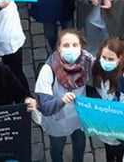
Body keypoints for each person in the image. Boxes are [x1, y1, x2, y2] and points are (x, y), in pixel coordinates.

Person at [35, 29, 94, 162]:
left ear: (81, 48)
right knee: (57, 148)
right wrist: (61, 100)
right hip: (58, 120)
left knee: (80, 144)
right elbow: (45, 107)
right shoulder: (48, 70)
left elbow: (102, 74)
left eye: (75, 45)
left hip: (79, 116)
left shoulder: (87, 60)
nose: (71, 49)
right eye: (66, 45)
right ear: (59, 49)